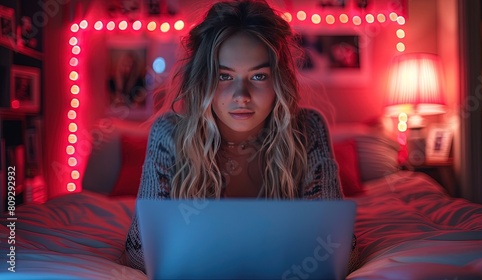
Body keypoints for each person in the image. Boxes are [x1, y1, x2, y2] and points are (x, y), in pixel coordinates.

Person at [125, 0, 357, 273]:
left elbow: (343, 251)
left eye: (258, 76)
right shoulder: (169, 133)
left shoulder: (307, 129)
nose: (241, 96)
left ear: (278, 81)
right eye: (224, 76)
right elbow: (138, 252)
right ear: (202, 80)